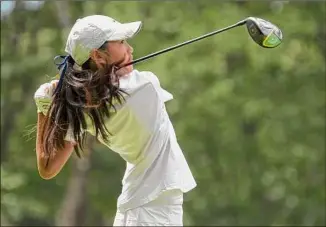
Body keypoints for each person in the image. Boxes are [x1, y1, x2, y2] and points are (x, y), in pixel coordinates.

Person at [34, 15, 196, 226]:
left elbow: (48, 167)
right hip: (153, 213)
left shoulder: (80, 110)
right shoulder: (146, 86)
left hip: (136, 208)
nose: (130, 49)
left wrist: (45, 108)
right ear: (98, 56)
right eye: (120, 42)